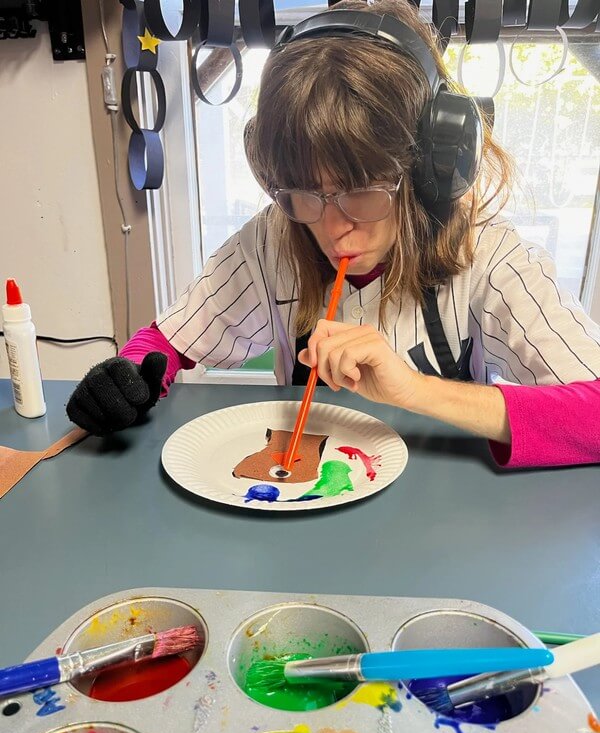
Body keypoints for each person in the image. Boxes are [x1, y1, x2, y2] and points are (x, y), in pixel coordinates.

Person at [67, 0, 600, 469]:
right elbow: (164, 344)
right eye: (306, 192)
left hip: (445, 529)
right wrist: (127, 380)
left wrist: (413, 390)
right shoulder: (275, 239)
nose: (333, 225)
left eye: (362, 190)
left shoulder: (487, 253)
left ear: (428, 170)